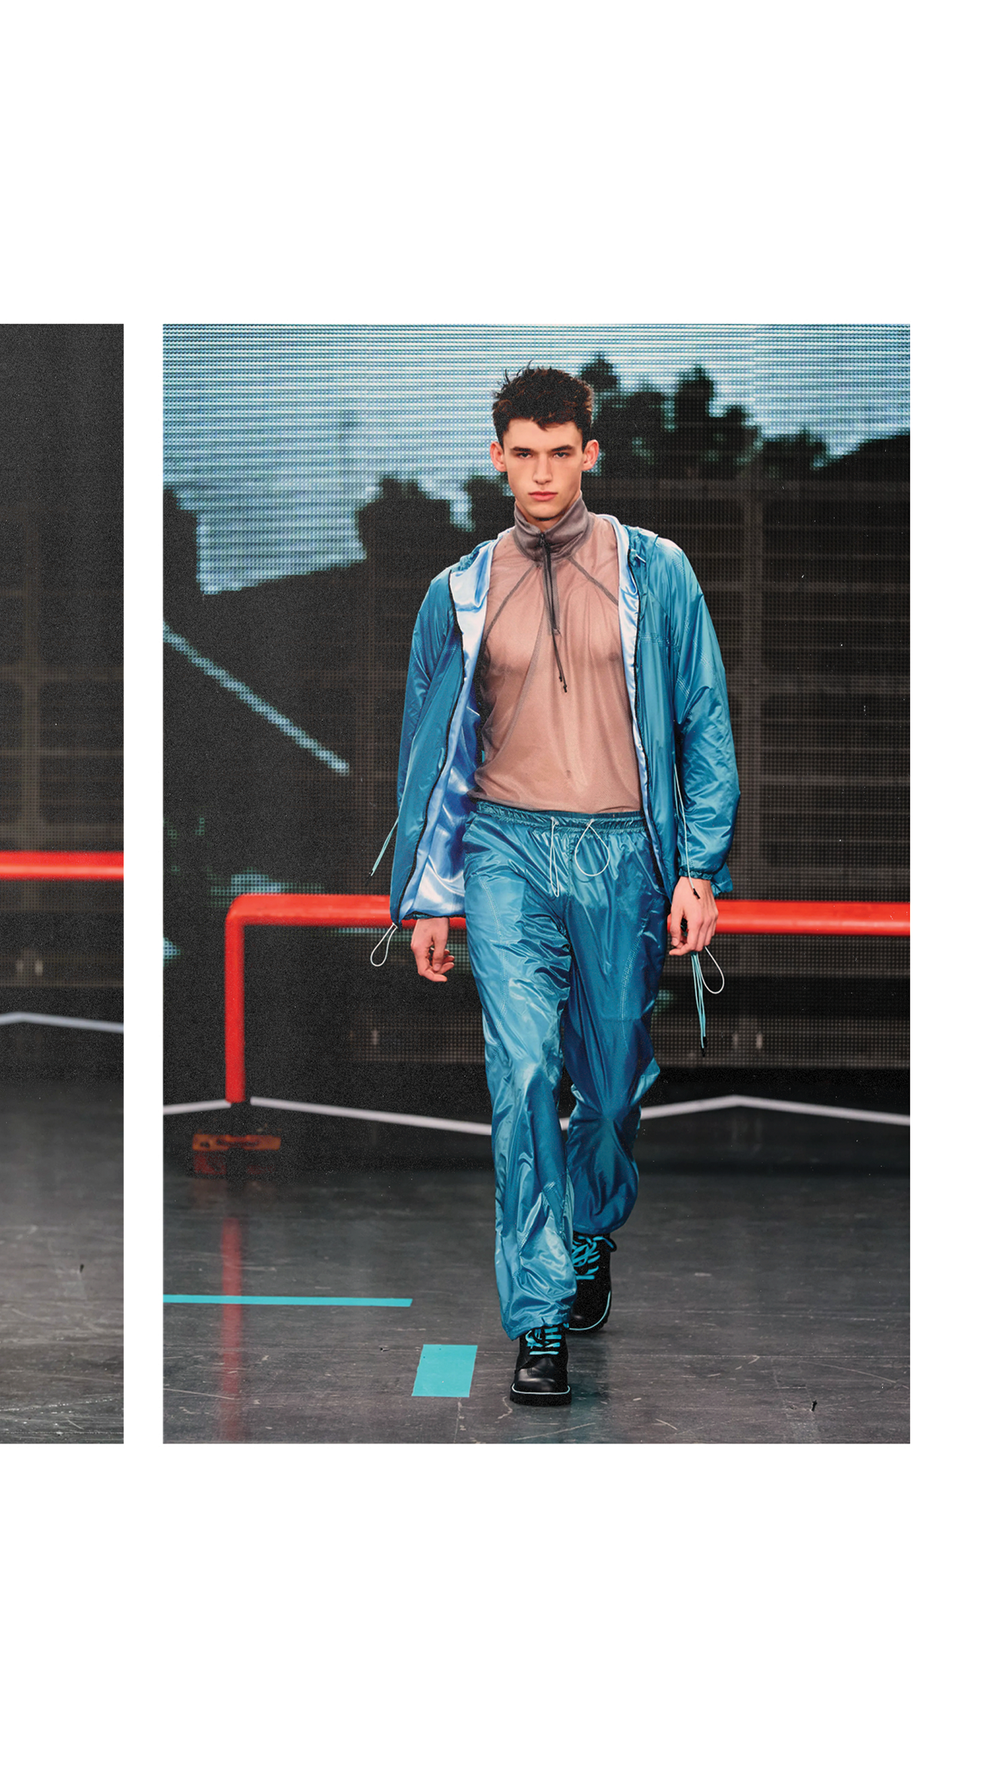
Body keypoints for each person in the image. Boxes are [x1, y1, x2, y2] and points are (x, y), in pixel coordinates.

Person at [387, 365, 738, 1407]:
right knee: (527, 1074)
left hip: (624, 854)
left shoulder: (655, 571)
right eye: (522, 454)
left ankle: (589, 1229)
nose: (541, 474)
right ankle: (539, 1315)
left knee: (613, 1081)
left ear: (590, 452)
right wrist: (431, 891)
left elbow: (702, 719)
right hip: (505, 852)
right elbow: (428, 755)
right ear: (496, 457)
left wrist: (698, 867)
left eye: (559, 452)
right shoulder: (457, 591)